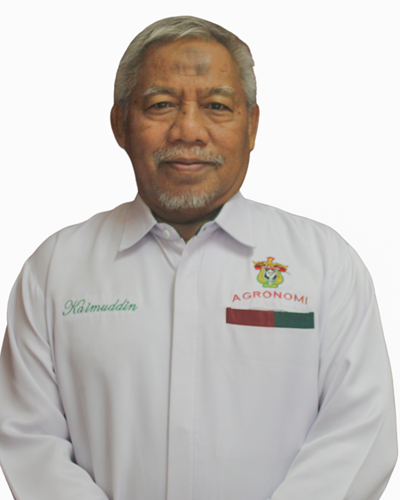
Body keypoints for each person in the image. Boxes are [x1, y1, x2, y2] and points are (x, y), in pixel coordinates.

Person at [0, 15, 397, 500]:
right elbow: (29, 438)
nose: (188, 130)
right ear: (120, 124)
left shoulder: (326, 264)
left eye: (216, 106)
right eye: (161, 105)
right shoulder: (55, 269)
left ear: (251, 125)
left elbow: (361, 431)